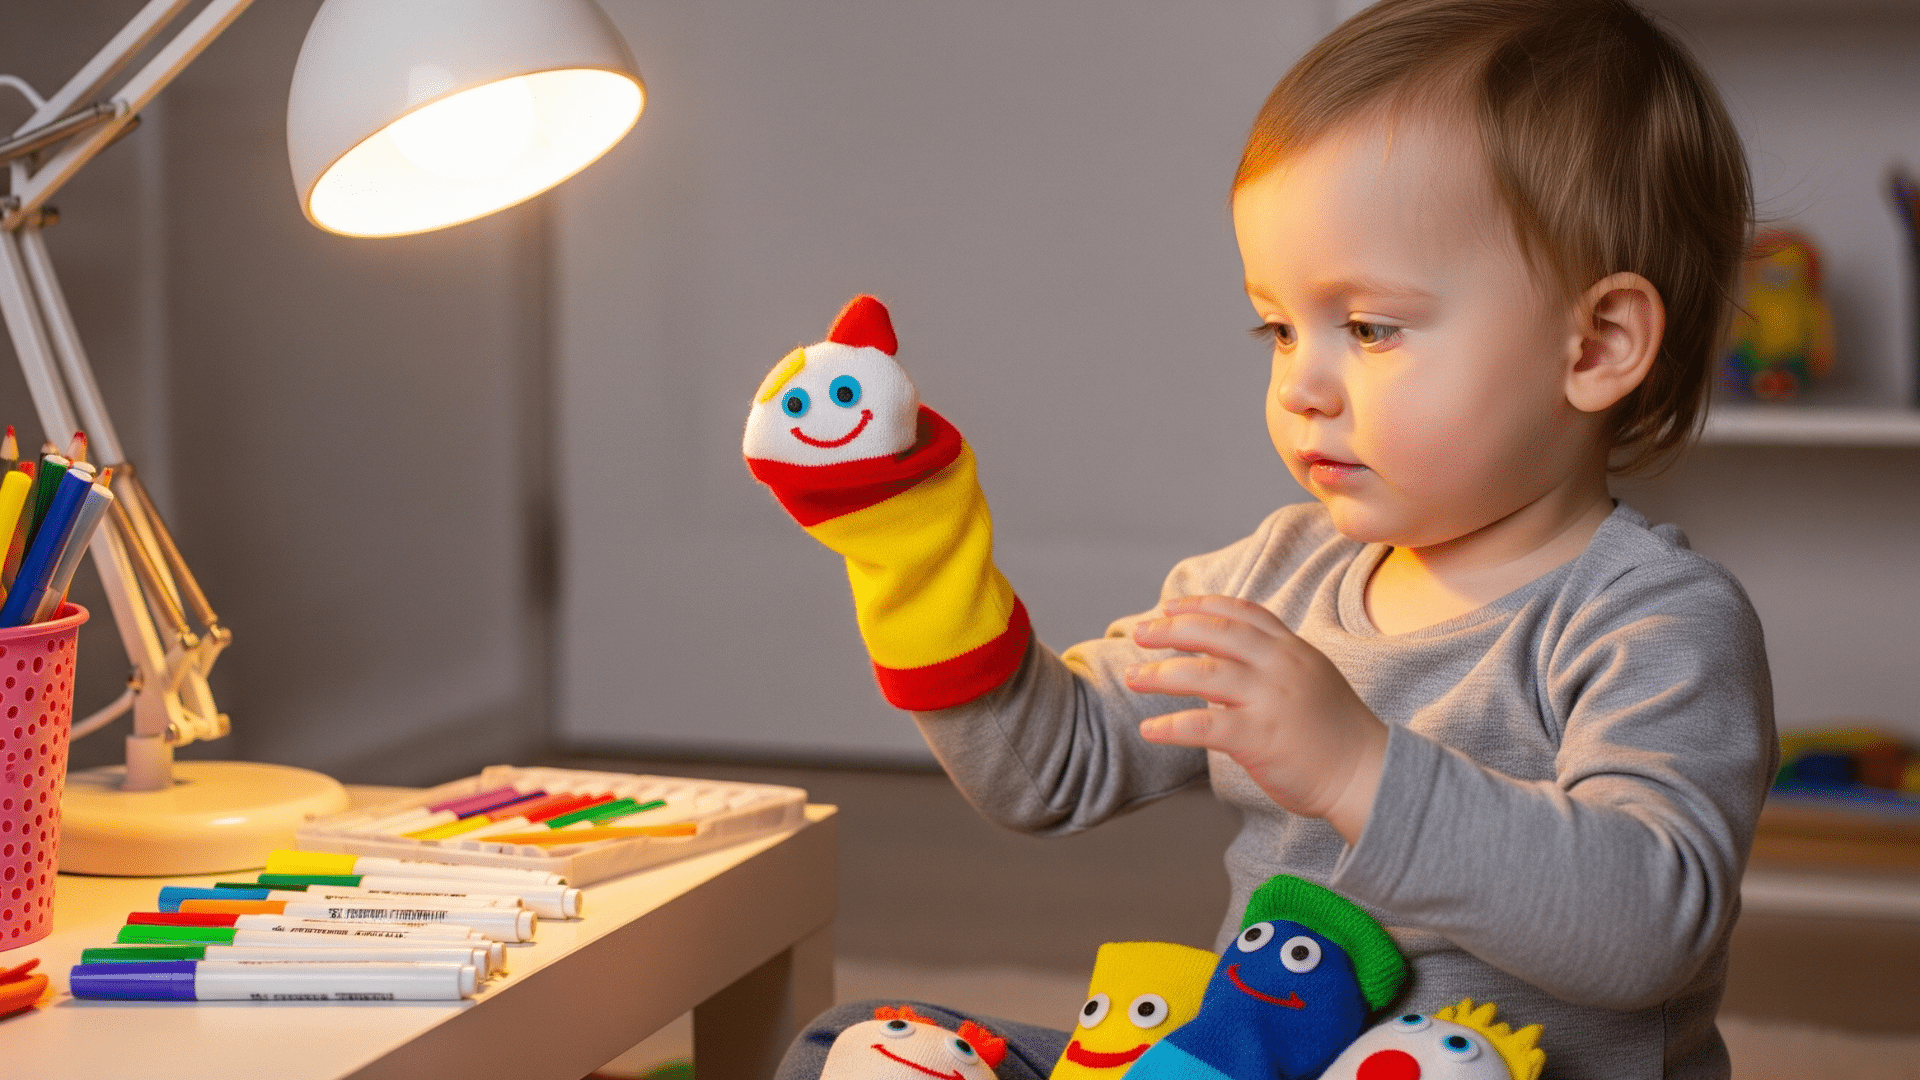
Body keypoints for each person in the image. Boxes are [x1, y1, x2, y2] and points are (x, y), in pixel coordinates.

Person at [769, 2, 1775, 1077]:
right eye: (1281, 328)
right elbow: (1048, 769)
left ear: (1599, 345)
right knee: (858, 1044)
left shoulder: (1650, 622)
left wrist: (1358, 769)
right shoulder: (1275, 578)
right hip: (1254, 1058)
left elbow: (1649, 928)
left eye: (1371, 328)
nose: (1300, 385)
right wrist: (913, 552)